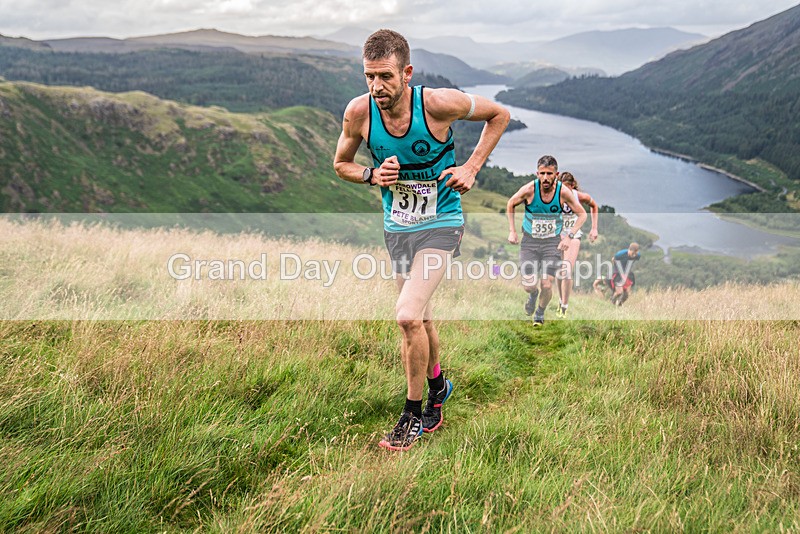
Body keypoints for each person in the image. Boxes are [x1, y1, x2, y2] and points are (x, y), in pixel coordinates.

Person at [333, 29, 510, 451]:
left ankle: (412, 414)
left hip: (441, 222)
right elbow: (341, 163)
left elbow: (498, 115)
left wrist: (471, 167)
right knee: (423, 319)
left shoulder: (437, 104)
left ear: (407, 73)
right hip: (398, 228)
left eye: (385, 77)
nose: (376, 87)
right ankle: (438, 388)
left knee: (407, 316)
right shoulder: (358, 113)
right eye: (369, 77)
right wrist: (372, 174)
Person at [506, 155, 586, 326]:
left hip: (552, 243)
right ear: (537, 173)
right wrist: (512, 231)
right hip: (530, 242)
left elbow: (582, 214)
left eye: (549, 174)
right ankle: (533, 295)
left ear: (556, 174)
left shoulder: (563, 192)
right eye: (542, 173)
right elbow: (511, 203)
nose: (545, 178)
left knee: (547, 284)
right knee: (529, 284)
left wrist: (569, 236)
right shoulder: (529, 189)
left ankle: (540, 313)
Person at [556, 172, 599, 317]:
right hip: (557, 234)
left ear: (572, 186)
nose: (564, 191)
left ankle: (564, 307)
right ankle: (560, 300)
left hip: (573, 234)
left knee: (566, 270)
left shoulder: (580, 196)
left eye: (567, 188)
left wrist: (594, 228)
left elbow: (594, 206)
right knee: (558, 271)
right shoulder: (554, 194)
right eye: (561, 187)